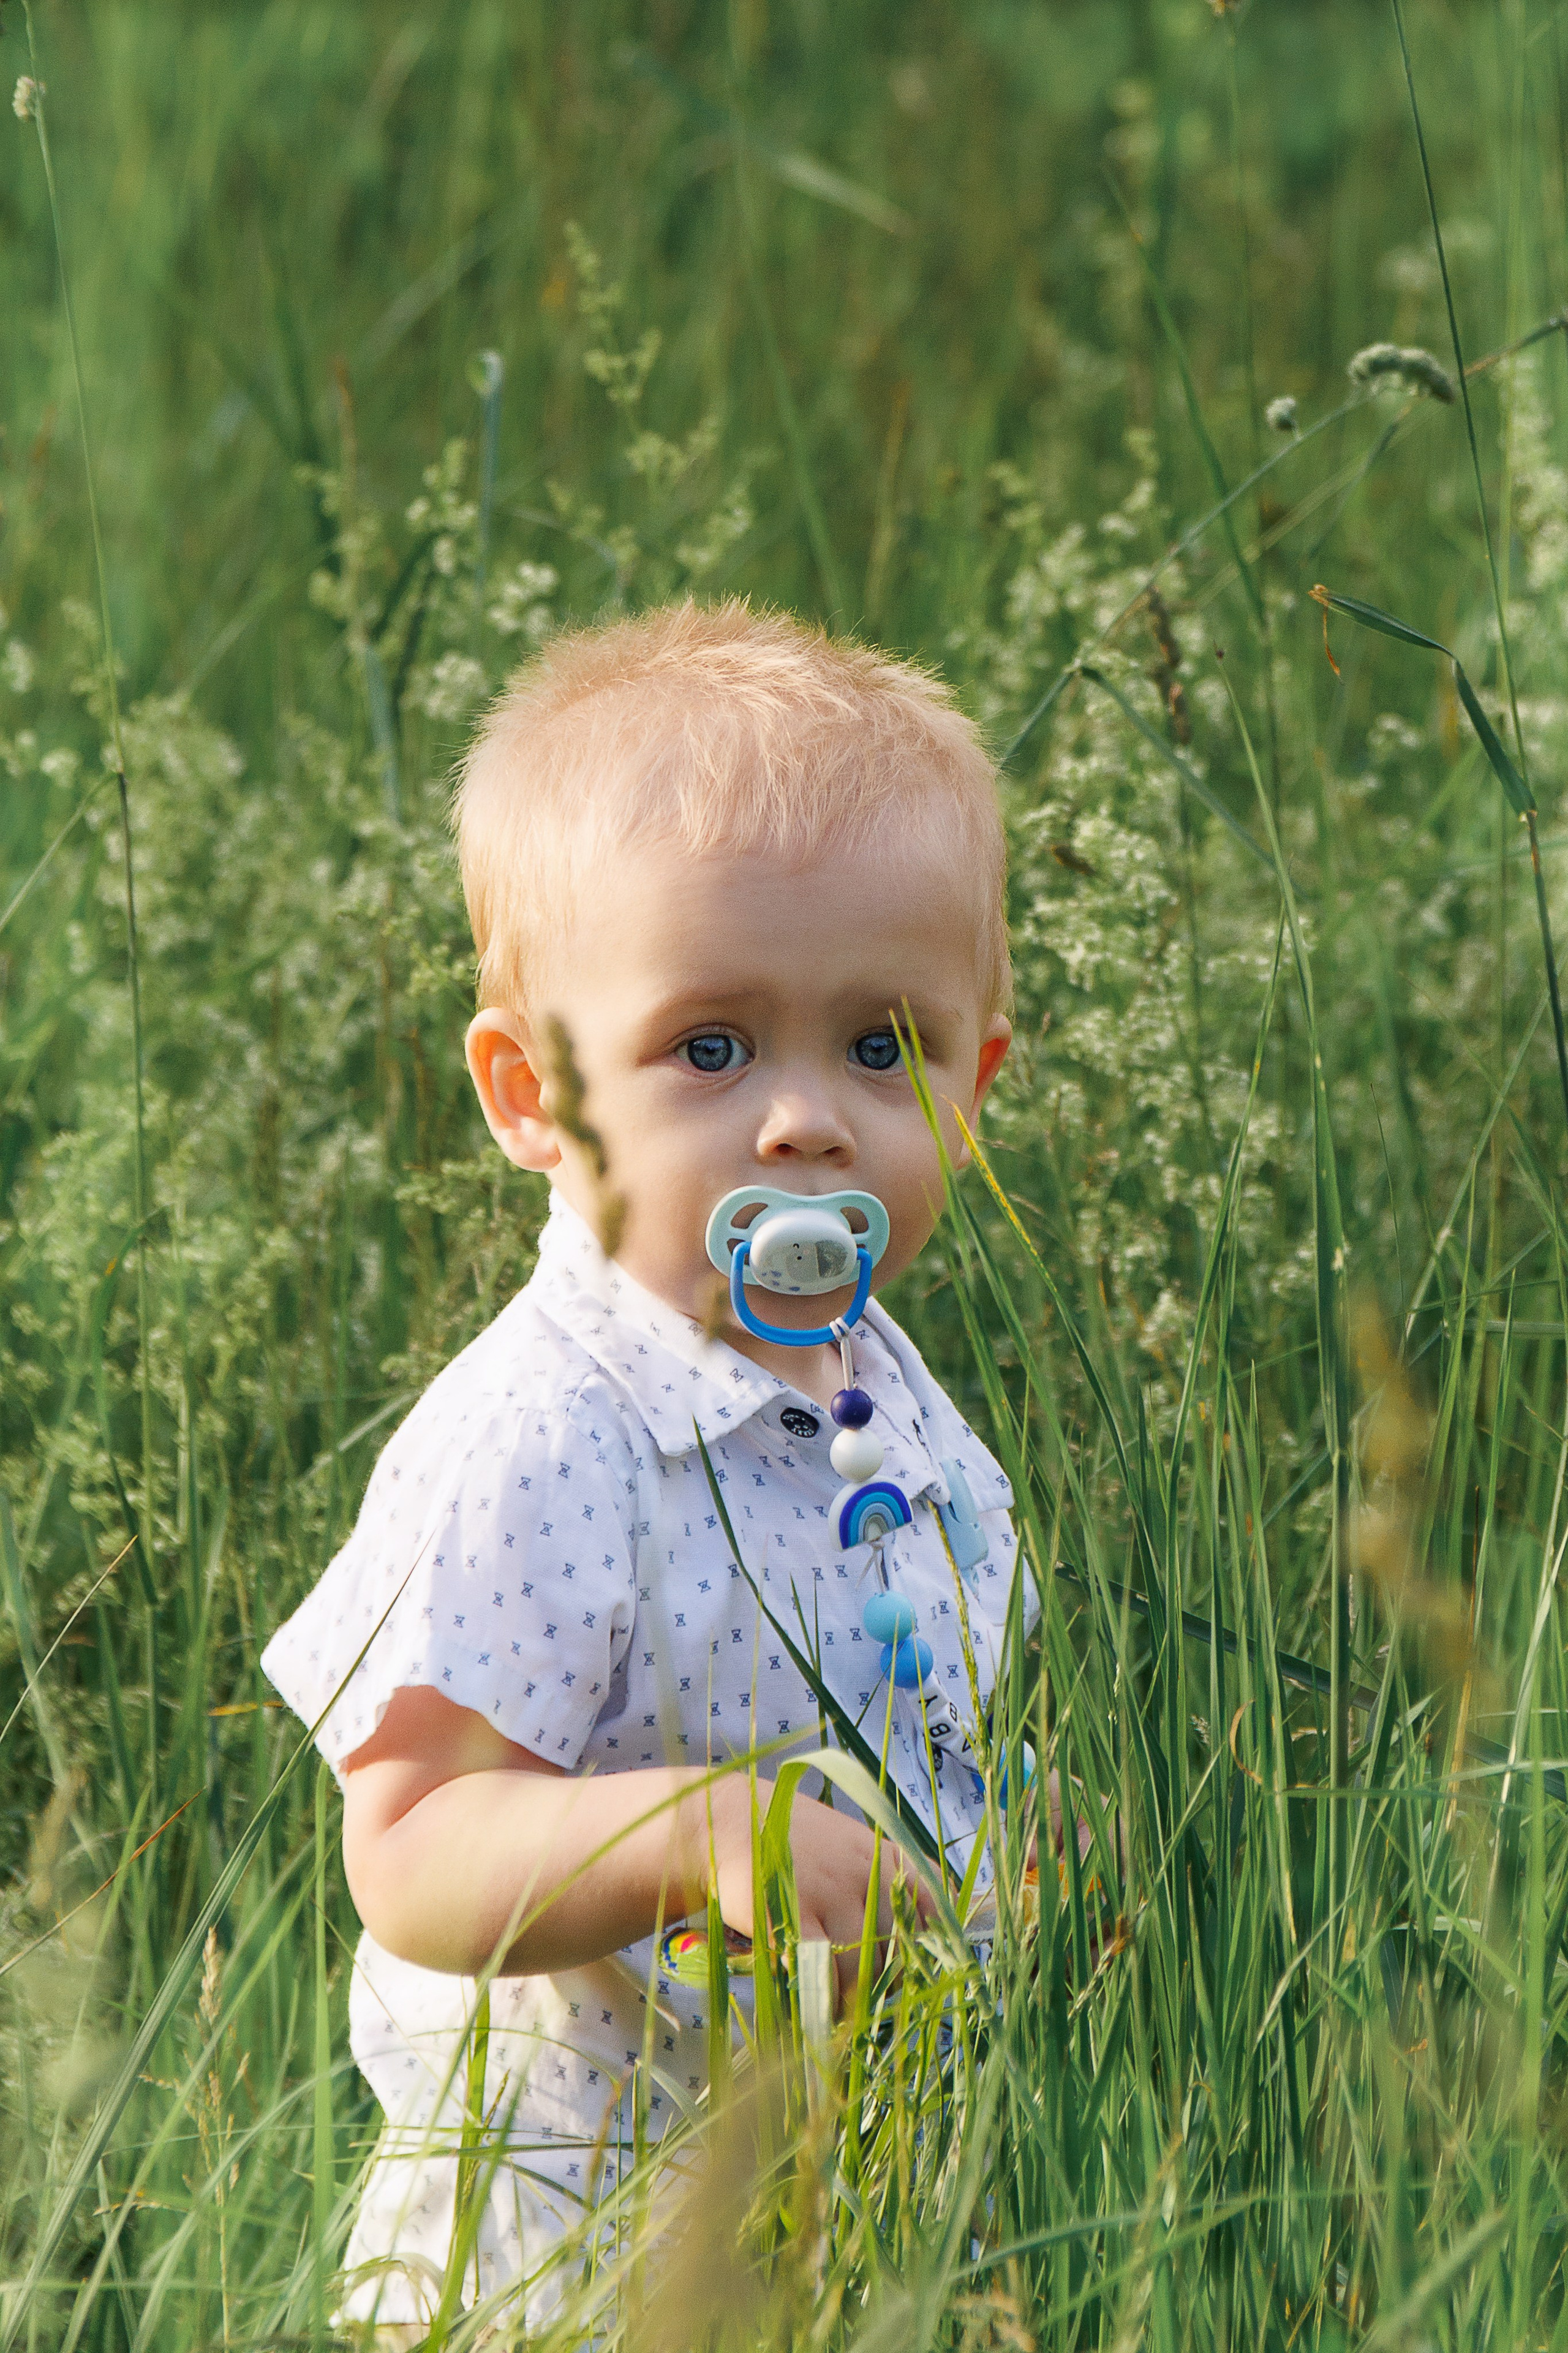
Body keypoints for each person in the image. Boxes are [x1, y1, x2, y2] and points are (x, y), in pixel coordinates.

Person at [262, 599, 1033, 2336]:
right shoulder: (545, 1437)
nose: (804, 1120)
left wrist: (1014, 1854)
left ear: (978, 1079)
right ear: (535, 1095)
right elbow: (413, 1845)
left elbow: (941, 1710)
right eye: (711, 1046)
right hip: (561, 2253)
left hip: (846, 2215)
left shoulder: (891, 1396)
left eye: (882, 1043)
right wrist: (693, 1833)